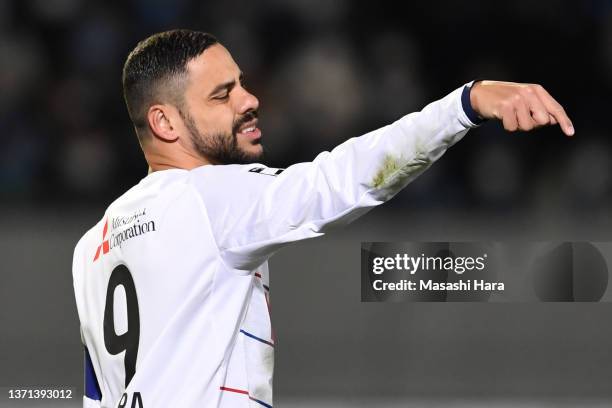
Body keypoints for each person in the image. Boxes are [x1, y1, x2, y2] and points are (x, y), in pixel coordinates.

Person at [72, 29, 574, 408]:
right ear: (164, 122)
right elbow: (339, 182)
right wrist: (465, 104)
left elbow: (96, 397)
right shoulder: (211, 197)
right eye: (222, 95)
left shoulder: (92, 246)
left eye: (241, 84)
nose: (249, 100)